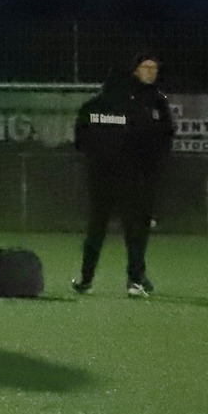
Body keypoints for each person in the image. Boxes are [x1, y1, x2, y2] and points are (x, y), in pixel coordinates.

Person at [72, 50, 176, 297]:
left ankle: (86, 279)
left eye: (154, 68)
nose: (151, 73)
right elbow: (154, 139)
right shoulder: (136, 107)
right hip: (132, 179)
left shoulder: (91, 107)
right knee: (135, 231)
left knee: (97, 229)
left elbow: (80, 141)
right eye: (146, 68)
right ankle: (134, 280)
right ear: (133, 73)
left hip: (101, 178)